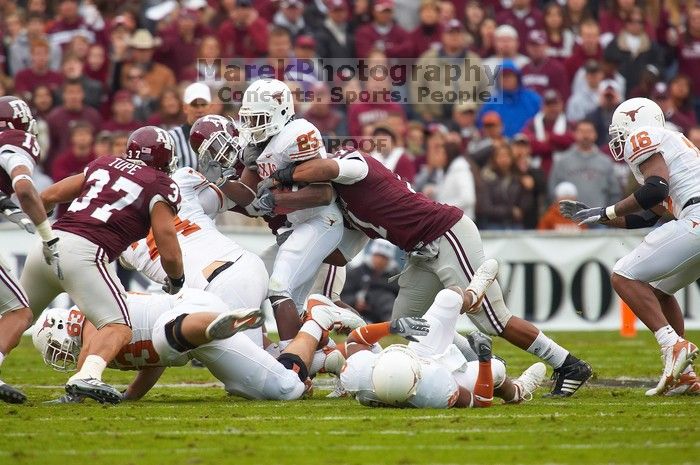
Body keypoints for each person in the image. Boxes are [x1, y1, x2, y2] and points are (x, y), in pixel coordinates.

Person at [265, 148, 593, 397]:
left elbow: (326, 167)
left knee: (492, 319)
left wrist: (283, 173)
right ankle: (483, 363)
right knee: (410, 323)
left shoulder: (354, 164)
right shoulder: (343, 209)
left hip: (446, 232)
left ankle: (568, 363)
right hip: (421, 252)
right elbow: (338, 256)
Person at [20, 126, 184, 404]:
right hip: (87, 253)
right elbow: (167, 243)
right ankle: (88, 375)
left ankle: (77, 386)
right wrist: (177, 279)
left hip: (48, 244)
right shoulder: (160, 184)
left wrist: (43, 224)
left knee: (16, 316)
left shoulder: (104, 163)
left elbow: (46, 197)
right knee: (118, 325)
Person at [560, 97, 699, 396]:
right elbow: (649, 215)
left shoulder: (642, 138)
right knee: (659, 291)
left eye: (619, 130)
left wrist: (609, 210)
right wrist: (600, 216)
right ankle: (685, 375)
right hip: (693, 214)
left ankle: (672, 345)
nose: (617, 138)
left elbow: (655, 189)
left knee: (623, 275)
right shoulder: (674, 142)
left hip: (696, 217)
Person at [338, 261, 547, 408]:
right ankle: (517, 391)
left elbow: (355, 339)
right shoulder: (434, 390)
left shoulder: (359, 375)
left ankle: (471, 298)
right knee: (497, 369)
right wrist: (484, 360)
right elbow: (481, 401)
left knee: (449, 297)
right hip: (433, 375)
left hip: (415, 362)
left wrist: (392, 327)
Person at [30, 290, 291, 403]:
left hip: (187, 311)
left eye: (53, 347)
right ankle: (314, 356)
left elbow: (87, 353)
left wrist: (75, 395)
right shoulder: (101, 347)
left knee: (165, 336)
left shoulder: (91, 316)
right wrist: (130, 395)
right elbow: (155, 362)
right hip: (193, 343)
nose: (58, 354)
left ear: (64, 326)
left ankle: (215, 323)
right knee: (281, 389)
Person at [0, 96, 60, 404]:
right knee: (19, 310)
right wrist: (46, 234)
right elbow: (23, 187)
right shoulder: (18, 139)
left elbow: (5, 198)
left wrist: (15, 213)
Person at [548, 120, 621, 210]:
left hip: (599, 219)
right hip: (571, 219)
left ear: (595, 134)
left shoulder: (606, 162)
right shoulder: (562, 161)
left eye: (589, 131)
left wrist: (607, 215)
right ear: (575, 134)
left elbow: (614, 193)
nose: (585, 135)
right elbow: (553, 190)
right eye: (581, 131)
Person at [477, 60, 541, 138]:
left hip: (527, 144)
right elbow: (481, 126)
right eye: (503, 76)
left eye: (510, 75)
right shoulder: (491, 102)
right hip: (499, 146)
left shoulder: (532, 99)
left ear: (517, 78)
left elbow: (542, 121)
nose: (507, 79)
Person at [341, 239, 399, 323]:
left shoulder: (396, 279)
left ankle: (390, 326)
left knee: (387, 299)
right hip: (355, 314)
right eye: (377, 255)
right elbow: (342, 294)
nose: (379, 260)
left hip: (382, 317)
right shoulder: (357, 272)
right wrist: (354, 302)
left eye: (384, 257)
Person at [168, 82, 213, 170]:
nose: (200, 110)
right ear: (185, 108)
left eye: (203, 105)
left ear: (210, 107)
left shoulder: (221, 135)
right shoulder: (171, 137)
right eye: (194, 105)